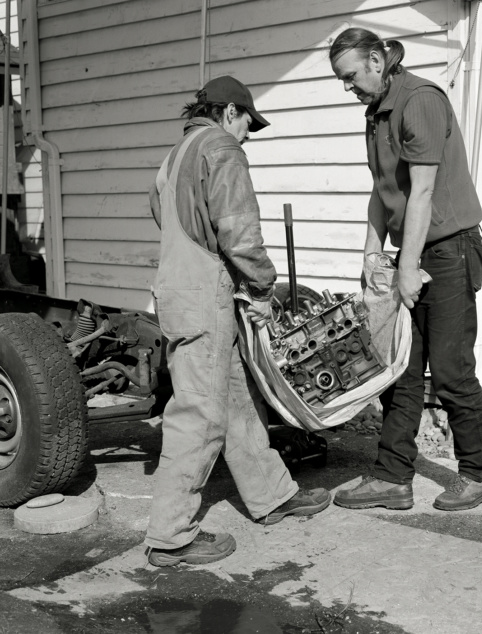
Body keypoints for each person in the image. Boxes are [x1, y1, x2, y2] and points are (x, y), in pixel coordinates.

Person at [145, 75, 331, 567]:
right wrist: (263, 288)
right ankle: (170, 536)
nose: (248, 134)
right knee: (199, 415)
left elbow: (161, 213)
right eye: (249, 122)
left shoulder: (176, 155)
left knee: (236, 399)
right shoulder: (221, 147)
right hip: (204, 294)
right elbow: (239, 232)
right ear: (230, 112)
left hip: (181, 290)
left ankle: (272, 495)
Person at [329, 29, 482, 511]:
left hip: (448, 250)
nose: (348, 87)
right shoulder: (376, 112)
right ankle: (392, 478)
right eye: (342, 80)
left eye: (351, 76)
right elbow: (382, 190)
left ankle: (479, 474)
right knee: (400, 370)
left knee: (450, 370)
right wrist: (370, 256)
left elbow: (421, 192)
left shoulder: (419, 100)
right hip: (415, 252)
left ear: (376, 60)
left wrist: (406, 268)